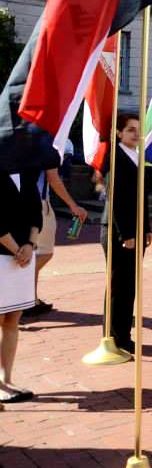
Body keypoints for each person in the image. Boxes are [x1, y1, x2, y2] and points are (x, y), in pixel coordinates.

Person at [98, 113, 151, 354]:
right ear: (118, 133)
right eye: (130, 129)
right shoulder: (115, 157)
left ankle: (123, 333)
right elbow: (116, 199)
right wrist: (126, 234)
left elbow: (141, 199)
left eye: (138, 130)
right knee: (119, 285)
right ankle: (112, 336)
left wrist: (146, 229)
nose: (136, 134)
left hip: (135, 231)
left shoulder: (137, 156)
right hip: (119, 232)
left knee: (129, 285)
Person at [20, 142, 89, 318]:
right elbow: (53, 177)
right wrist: (73, 205)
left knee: (33, 252)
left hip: (21, 202)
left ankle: (30, 299)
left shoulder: (20, 139)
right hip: (39, 203)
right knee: (42, 253)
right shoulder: (46, 142)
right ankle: (24, 298)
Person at [1, 170, 42, 404]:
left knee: (12, 319)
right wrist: (16, 248)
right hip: (3, 254)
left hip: (22, 256)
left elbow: (36, 214)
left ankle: (7, 378)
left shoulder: (27, 176)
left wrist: (30, 244)